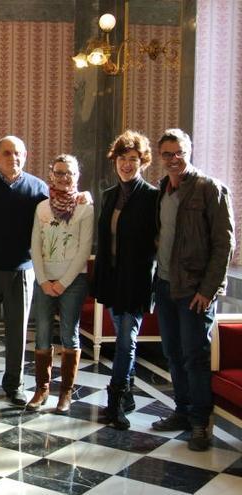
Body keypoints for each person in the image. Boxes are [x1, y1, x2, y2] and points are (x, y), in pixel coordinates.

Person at [151, 128, 235, 451]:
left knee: (195, 357)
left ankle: (201, 422)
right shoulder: (163, 189)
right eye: (167, 154)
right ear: (160, 157)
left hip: (195, 291)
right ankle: (183, 411)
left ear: (189, 152)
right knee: (172, 353)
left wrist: (209, 289)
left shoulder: (210, 189)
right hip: (167, 285)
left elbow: (224, 243)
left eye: (179, 153)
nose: (174, 160)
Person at [0, 136, 49, 406]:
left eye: (17, 153)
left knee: (18, 332)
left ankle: (15, 385)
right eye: (6, 153)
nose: (12, 158)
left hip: (23, 271)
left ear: (25, 155)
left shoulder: (39, 189)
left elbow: (52, 224)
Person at [92, 130, 158, 430]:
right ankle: (127, 393)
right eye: (122, 158)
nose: (127, 165)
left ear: (142, 162)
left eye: (133, 159)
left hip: (136, 280)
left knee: (125, 342)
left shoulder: (152, 197)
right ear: (114, 161)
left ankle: (116, 400)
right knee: (122, 338)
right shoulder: (108, 196)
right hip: (111, 279)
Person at [26, 155, 93, 413]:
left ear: (77, 176)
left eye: (70, 173)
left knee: (69, 334)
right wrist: (43, 280)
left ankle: (65, 392)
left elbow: (84, 249)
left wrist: (63, 283)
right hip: (44, 281)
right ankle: (42, 389)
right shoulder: (42, 208)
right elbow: (35, 245)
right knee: (42, 333)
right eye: (60, 173)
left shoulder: (85, 207)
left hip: (73, 282)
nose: (65, 178)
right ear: (51, 175)